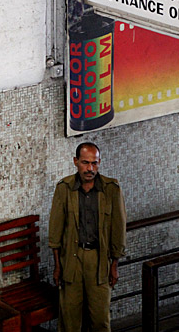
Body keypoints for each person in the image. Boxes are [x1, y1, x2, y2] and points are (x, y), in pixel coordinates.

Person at [49, 142, 126, 332]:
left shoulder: (111, 189)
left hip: (99, 260)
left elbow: (118, 229)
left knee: (100, 319)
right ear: (76, 162)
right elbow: (55, 231)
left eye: (94, 163)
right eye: (85, 163)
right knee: (70, 319)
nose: (90, 169)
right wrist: (57, 266)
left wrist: (114, 265)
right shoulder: (65, 188)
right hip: (71, 259)